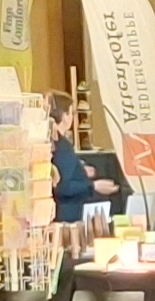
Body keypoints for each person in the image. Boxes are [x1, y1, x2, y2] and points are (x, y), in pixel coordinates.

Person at [47, 92, 119, 225]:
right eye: (72, 113)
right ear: (65, 117)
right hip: (68, 217)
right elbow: (62, 186)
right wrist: (93, 186)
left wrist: (81, 170)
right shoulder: (62, 146)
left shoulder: (52, 143)